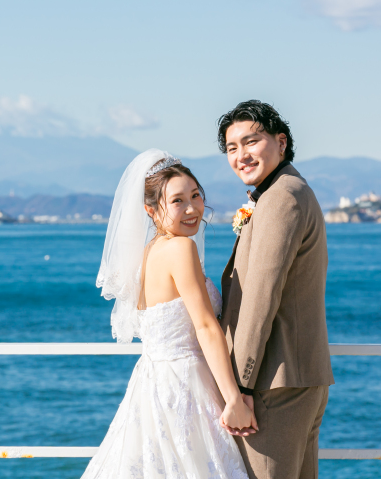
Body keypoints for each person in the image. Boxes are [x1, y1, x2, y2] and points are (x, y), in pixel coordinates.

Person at [83, 149, 253, 479]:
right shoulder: (180, 248)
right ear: (150, 210)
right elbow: (204, 326)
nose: (192, 209)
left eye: (195, 195)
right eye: (177, 201)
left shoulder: (150, 251)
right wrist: (234, 399)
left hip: (152, 382)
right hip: (185, 385)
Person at [217, 100, 334, 479]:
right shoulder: (285, 191)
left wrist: (240, 387)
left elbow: (260, 299)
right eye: (232, 148)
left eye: (251, 141)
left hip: (274, 383)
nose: (241, 155)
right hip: (297, 376)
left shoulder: (282, 196)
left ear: (281, 142)